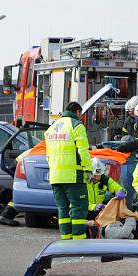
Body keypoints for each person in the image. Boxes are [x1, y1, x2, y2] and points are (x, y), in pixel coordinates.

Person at [45, 101, 92, 240]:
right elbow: (83, 151)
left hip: (55, 176)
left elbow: (48, 154)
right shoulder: (76, 125)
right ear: (78, 112)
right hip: (73, 176)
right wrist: (88, 169)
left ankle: (66, 240)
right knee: (79, 208)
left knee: (63, 209)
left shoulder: (52, 128)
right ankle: (78, 242)